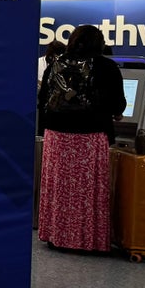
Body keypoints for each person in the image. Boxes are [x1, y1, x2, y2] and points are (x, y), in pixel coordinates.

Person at [37, 24, 127, 252]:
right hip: (90, 137)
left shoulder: (55, 64)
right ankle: (86, 239)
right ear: (100, 44)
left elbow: (43, 99)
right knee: (87, 189)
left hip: (57, 137)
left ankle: (56, 234)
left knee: (59, 187)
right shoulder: (107, 67)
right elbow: (118, 104)